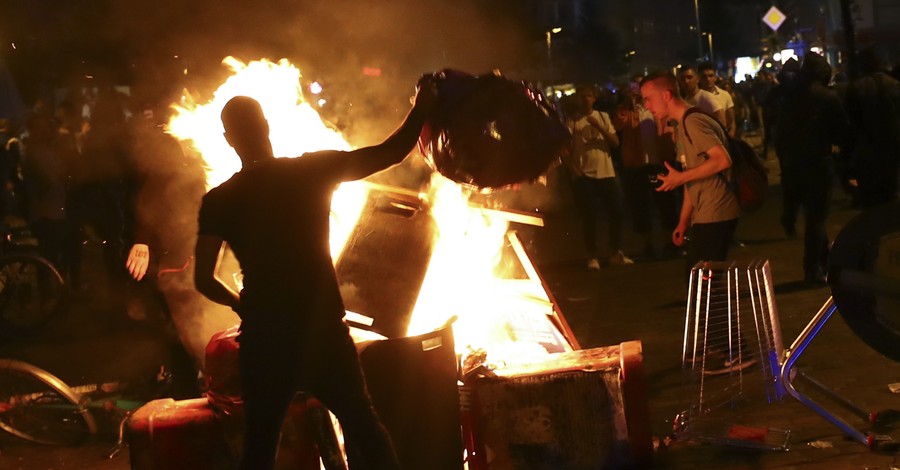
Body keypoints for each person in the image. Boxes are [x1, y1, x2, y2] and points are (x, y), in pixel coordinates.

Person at [193, 78, 438, 470]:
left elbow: (203, 279)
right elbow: (389, 153)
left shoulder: (219, 199)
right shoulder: (311, 170)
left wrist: (239, 304)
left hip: (265, 339)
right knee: (365, 428)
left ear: (228, 139)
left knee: (259, 445)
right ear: (266, 127)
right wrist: (422, 108)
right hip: (321, 331)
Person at [641, 71, 749, 375]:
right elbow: (694, 174)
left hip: (719, 211)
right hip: (705, 212)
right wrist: (683, 219)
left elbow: (721, 160)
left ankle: (737, 351)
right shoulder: (681, 126)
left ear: (666, 95)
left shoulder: (693, 121)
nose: (646, 105)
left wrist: (679, 178)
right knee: (699, 279)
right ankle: (718, 345)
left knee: (708, 282)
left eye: (648, 98)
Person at [773, 53, 849, 285]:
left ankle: (823, 260)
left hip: (794, 164)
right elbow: (842, 131)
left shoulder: (789, 97)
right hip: (818, 163)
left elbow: (780, 133)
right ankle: (812, 268)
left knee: (813, 216)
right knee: (817, 218)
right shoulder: (828, 97)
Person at [564, 84, 633, 270]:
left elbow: (615, 142)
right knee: (590, 216)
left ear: (594, 98)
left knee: (617, 212)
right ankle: (592, 255)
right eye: (582, 96)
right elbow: (565, 149)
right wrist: (573, 169)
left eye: (589, 95)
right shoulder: (573, 121)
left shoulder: (602, 117)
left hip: (606, 172)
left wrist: (599, 127)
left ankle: (615, 252)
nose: (586, 99)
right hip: (585, 174)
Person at [698, 62, 736, 138]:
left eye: (711, 76)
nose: (708, 79)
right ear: (699, 78)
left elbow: (731, 121)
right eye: (704, 76)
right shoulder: (696, 96)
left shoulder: (724, 95)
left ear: (715, 77)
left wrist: (729, 138)